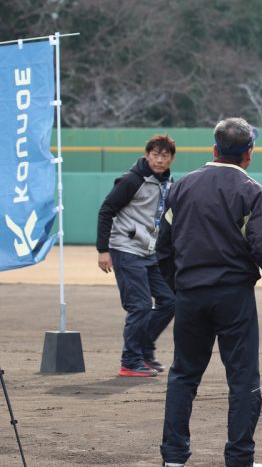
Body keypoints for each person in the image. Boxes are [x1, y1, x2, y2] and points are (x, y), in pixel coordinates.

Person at [158, 117, 262, 467]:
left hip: (190, 294)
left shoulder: (181, 186)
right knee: (243, 378)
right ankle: (239, 459)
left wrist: (180, 284)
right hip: (233, 296)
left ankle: (173, 458)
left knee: (184, 375)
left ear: (214, 149)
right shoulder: (252, 190)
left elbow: (163, 249)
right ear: (248, 153)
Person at [97, 134, 177, 377]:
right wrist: (103, 249)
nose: (159, 160)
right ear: (147, 155)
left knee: (170, 301)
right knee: (140, 306)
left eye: (164, 156)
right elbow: (106, 210)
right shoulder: (133, 180)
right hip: (125, 249)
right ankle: (130, 361)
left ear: (171, 158)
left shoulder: (168, 182)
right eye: (155, 154)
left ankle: (143, 350)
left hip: (149, 251)